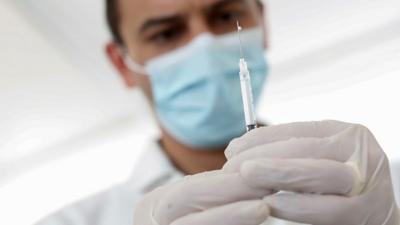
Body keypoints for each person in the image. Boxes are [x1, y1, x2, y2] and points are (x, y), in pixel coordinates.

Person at [35, 0, 399, 225]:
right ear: (122, 64)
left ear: (262, 23)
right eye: (166, 33)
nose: (205, 44)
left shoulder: (376, 187)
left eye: (225, 14)